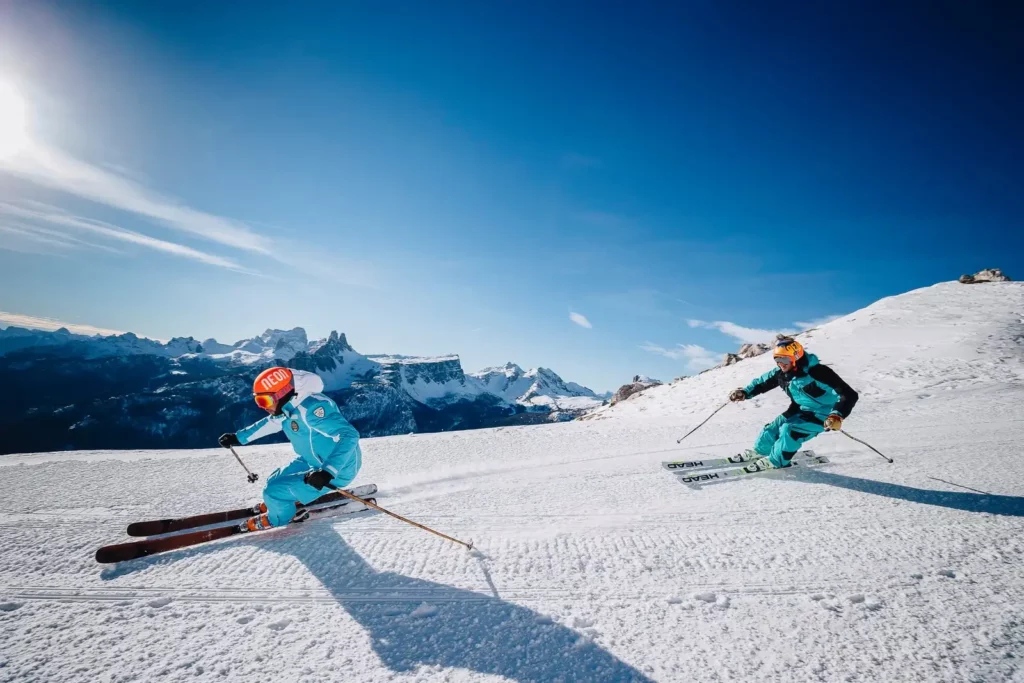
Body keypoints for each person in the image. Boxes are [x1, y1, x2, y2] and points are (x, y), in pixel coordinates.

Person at [219, 367, 362, 531]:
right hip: (312, 460)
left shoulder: (312, 410)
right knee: (273, 481)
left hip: (337, 469)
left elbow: (349, 435)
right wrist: (239, 438)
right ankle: (284, 502)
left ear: (282, 393)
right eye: (258, 401)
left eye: (265, 401)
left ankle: (277, 518)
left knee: (272, 493)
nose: (263, 407)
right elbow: (271, 423)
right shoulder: (288, 406)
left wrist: (327, 472)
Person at [728, 336, 858, 470]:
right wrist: (744, 392)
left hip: (823, 414)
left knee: (789, 430)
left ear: (795, 358)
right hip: (800, 409)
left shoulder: (818, 372)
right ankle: (761, 451)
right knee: (773, 427)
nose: (780, 363)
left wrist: (837, 415)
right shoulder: (782, 373)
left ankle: (776, 461)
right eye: (777, 359)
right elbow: (761, 383)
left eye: (784, 359)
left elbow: (849, 394)